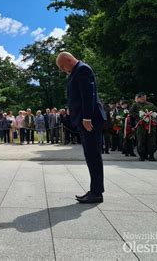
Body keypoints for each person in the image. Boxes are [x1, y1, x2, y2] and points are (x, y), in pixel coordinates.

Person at [56, 52, 106, 204]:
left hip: (90, 121)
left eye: (63, 67)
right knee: (90, 155)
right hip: (85, 120)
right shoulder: (77, 71)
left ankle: (97, 193)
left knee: (93, 155)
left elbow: (88, 95)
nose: (63, 71)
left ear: (69, 61)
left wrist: (87, 117)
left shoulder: (83, 69)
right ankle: (95, 190)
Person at [130, 93, 157, 161]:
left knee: (151, 140)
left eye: (145, 97)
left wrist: (150, 115)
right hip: (140, 125)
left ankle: (151, 155)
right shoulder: (135, 105)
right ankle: (142, 155)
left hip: (150, 124)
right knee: (141, 140)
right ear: (139, 98)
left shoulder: (150, 104)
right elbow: (131, 113)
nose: (143, 99)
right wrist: (140, 115)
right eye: (142, 98)